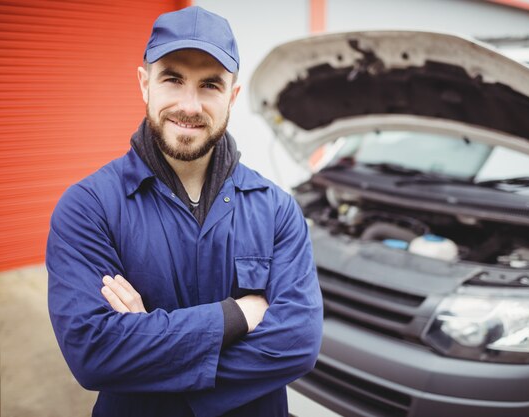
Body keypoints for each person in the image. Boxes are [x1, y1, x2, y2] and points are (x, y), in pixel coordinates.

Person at [46, 6, 323, 417]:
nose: (189, 105)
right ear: (145, 84)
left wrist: (147, 351)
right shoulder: (88, 208)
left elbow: (297, 343)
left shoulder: (277, 209)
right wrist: (236, 316)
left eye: (210, 84)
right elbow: (94, 352)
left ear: (232, 95)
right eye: (173, 79)